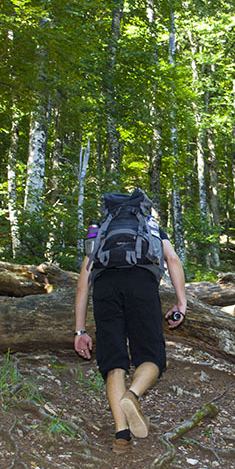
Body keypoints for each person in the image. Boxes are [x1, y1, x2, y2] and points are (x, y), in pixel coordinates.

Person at [73, 191, 187, 453]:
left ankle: (121, 436)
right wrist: (181, 302)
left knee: (113, 362)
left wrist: (80, 330)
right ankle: (132, 395)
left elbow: (82, 284)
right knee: (152, 357)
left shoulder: (100, 229)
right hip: (141, 284)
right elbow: (172, 259)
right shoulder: (151, 225)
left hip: (106, 287)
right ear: (142, 207)